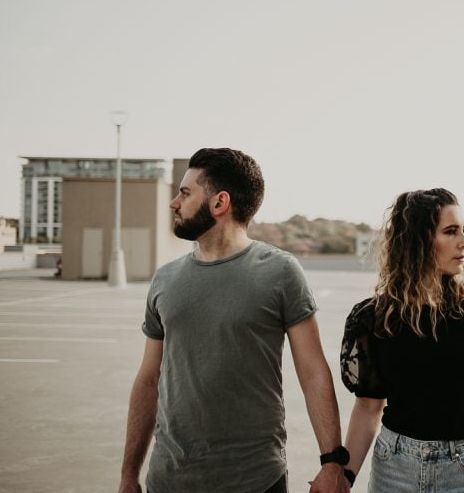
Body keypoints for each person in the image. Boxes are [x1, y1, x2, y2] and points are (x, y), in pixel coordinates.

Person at [117, 148, 350, 493]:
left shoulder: (281, 272)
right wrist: (128, 474)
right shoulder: (164, 279)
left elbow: (313, 370)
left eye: (185, 193)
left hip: (256, 480)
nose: (174, 203)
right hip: (169, 479)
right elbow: (149, 379)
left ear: (219, 202)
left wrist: (332, 462)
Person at [339, 188, 464, 493]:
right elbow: (367, 406)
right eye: (451, 231)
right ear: (417, 240)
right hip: (394, 469)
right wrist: (344, 477)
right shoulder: (374, 317)